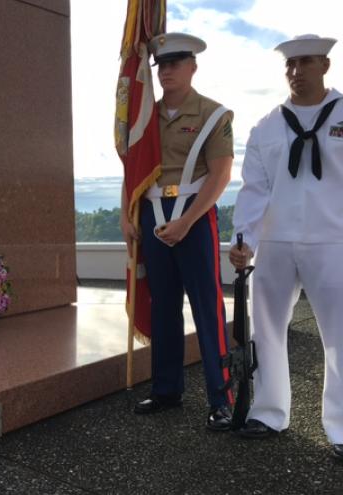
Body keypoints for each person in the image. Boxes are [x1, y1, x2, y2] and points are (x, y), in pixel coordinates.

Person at [229, 34, 343, 458]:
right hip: (275, 241)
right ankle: (269, 411)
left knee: (340, 336)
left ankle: (341, 426)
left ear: (325, 67)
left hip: (333, 239)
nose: (296, 72)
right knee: (267, 329)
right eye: (290, 65)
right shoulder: (268, 126)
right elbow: (254, 189)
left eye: (306, 63)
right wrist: (244, 238)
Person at [121, 33, 235, 430]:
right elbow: (132, 169)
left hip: (195, 213)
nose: (167, 70)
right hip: (152, 213)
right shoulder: (145, 117)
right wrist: (126, 215)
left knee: (207, 306)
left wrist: (187, 221)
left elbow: (220, 175)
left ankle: (221, 398)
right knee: (163, 305)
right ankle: (167, 389)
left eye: (175, 63)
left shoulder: (213, 114)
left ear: (192, 67)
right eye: (161, 65)